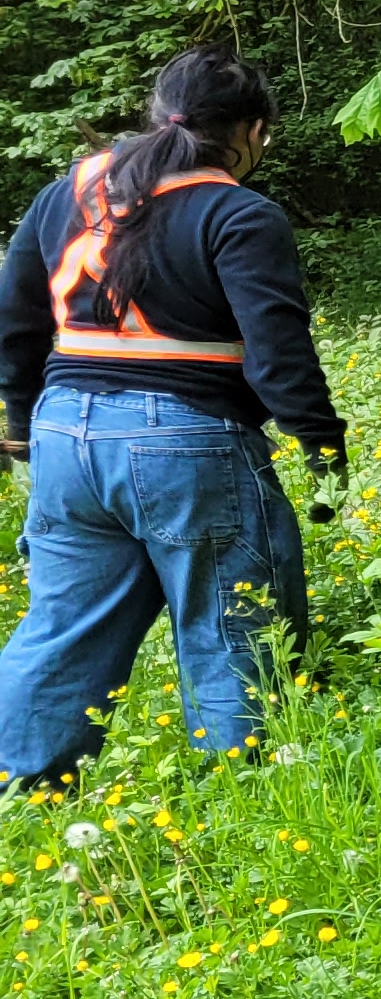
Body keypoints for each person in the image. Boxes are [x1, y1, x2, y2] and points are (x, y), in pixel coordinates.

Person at [0, 48, 345, 784]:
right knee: (235, 630)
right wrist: (322, 449)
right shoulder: (237, 212)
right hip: (186, 442)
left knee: (60, 631)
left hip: (64, 436)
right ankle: (247, 799)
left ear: (159, 115)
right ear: (255, 132)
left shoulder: (66, 194)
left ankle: (20, 794)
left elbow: (16, 321)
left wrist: (22, 426)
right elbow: (277, 352)